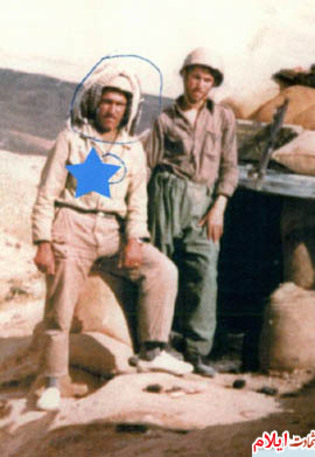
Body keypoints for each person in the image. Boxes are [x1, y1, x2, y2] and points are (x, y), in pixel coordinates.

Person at [31, 63, 193, 411]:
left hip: (112, 232)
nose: (112, 110)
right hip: (72, 227)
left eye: (120, 104)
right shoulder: (71, 139)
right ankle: (54, 380)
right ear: (95, 102)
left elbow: (138, 201)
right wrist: (42, 241)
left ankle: (153, 350)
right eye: (107, 102)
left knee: (163, 270)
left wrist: (134, 240)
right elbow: (47, 192)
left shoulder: (132, 149)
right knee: (60, 307)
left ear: (128, 109)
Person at [143, 48, 238, 377]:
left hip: (204, 202)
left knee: (204, 271)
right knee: (161, 267)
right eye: (195, 77)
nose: (200, 85)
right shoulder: (165, 119)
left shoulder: (223, 118)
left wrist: (219, 206)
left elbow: (230, 167)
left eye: (207, 80)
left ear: (214, 84)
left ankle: (198, 351)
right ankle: (158, 343)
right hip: (166, 197)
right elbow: (147, 165)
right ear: (184, 76)